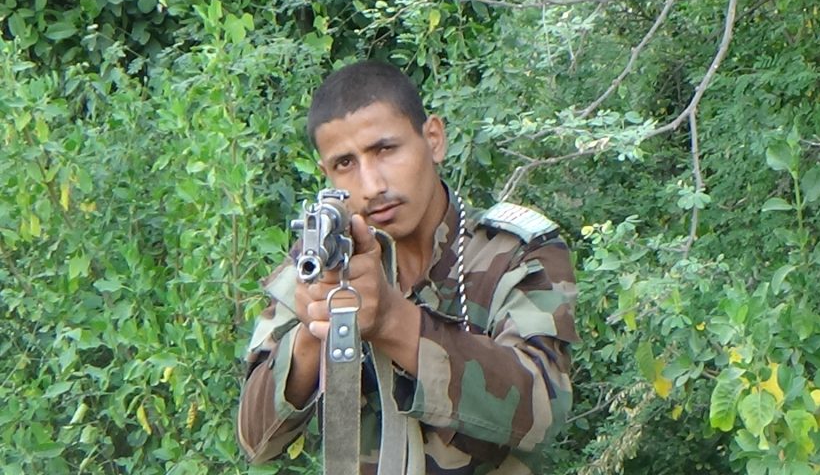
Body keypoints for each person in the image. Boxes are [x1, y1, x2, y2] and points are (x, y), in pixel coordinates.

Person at [236, 60, 579, 474]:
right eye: (345, 164)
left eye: (385, 150)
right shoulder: (323, 258)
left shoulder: (511, 252)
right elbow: (256, 441)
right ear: (326, 174)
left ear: (433, 140)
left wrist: (392, 321)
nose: (372, 185)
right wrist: (314, 330)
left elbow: (543, 412)